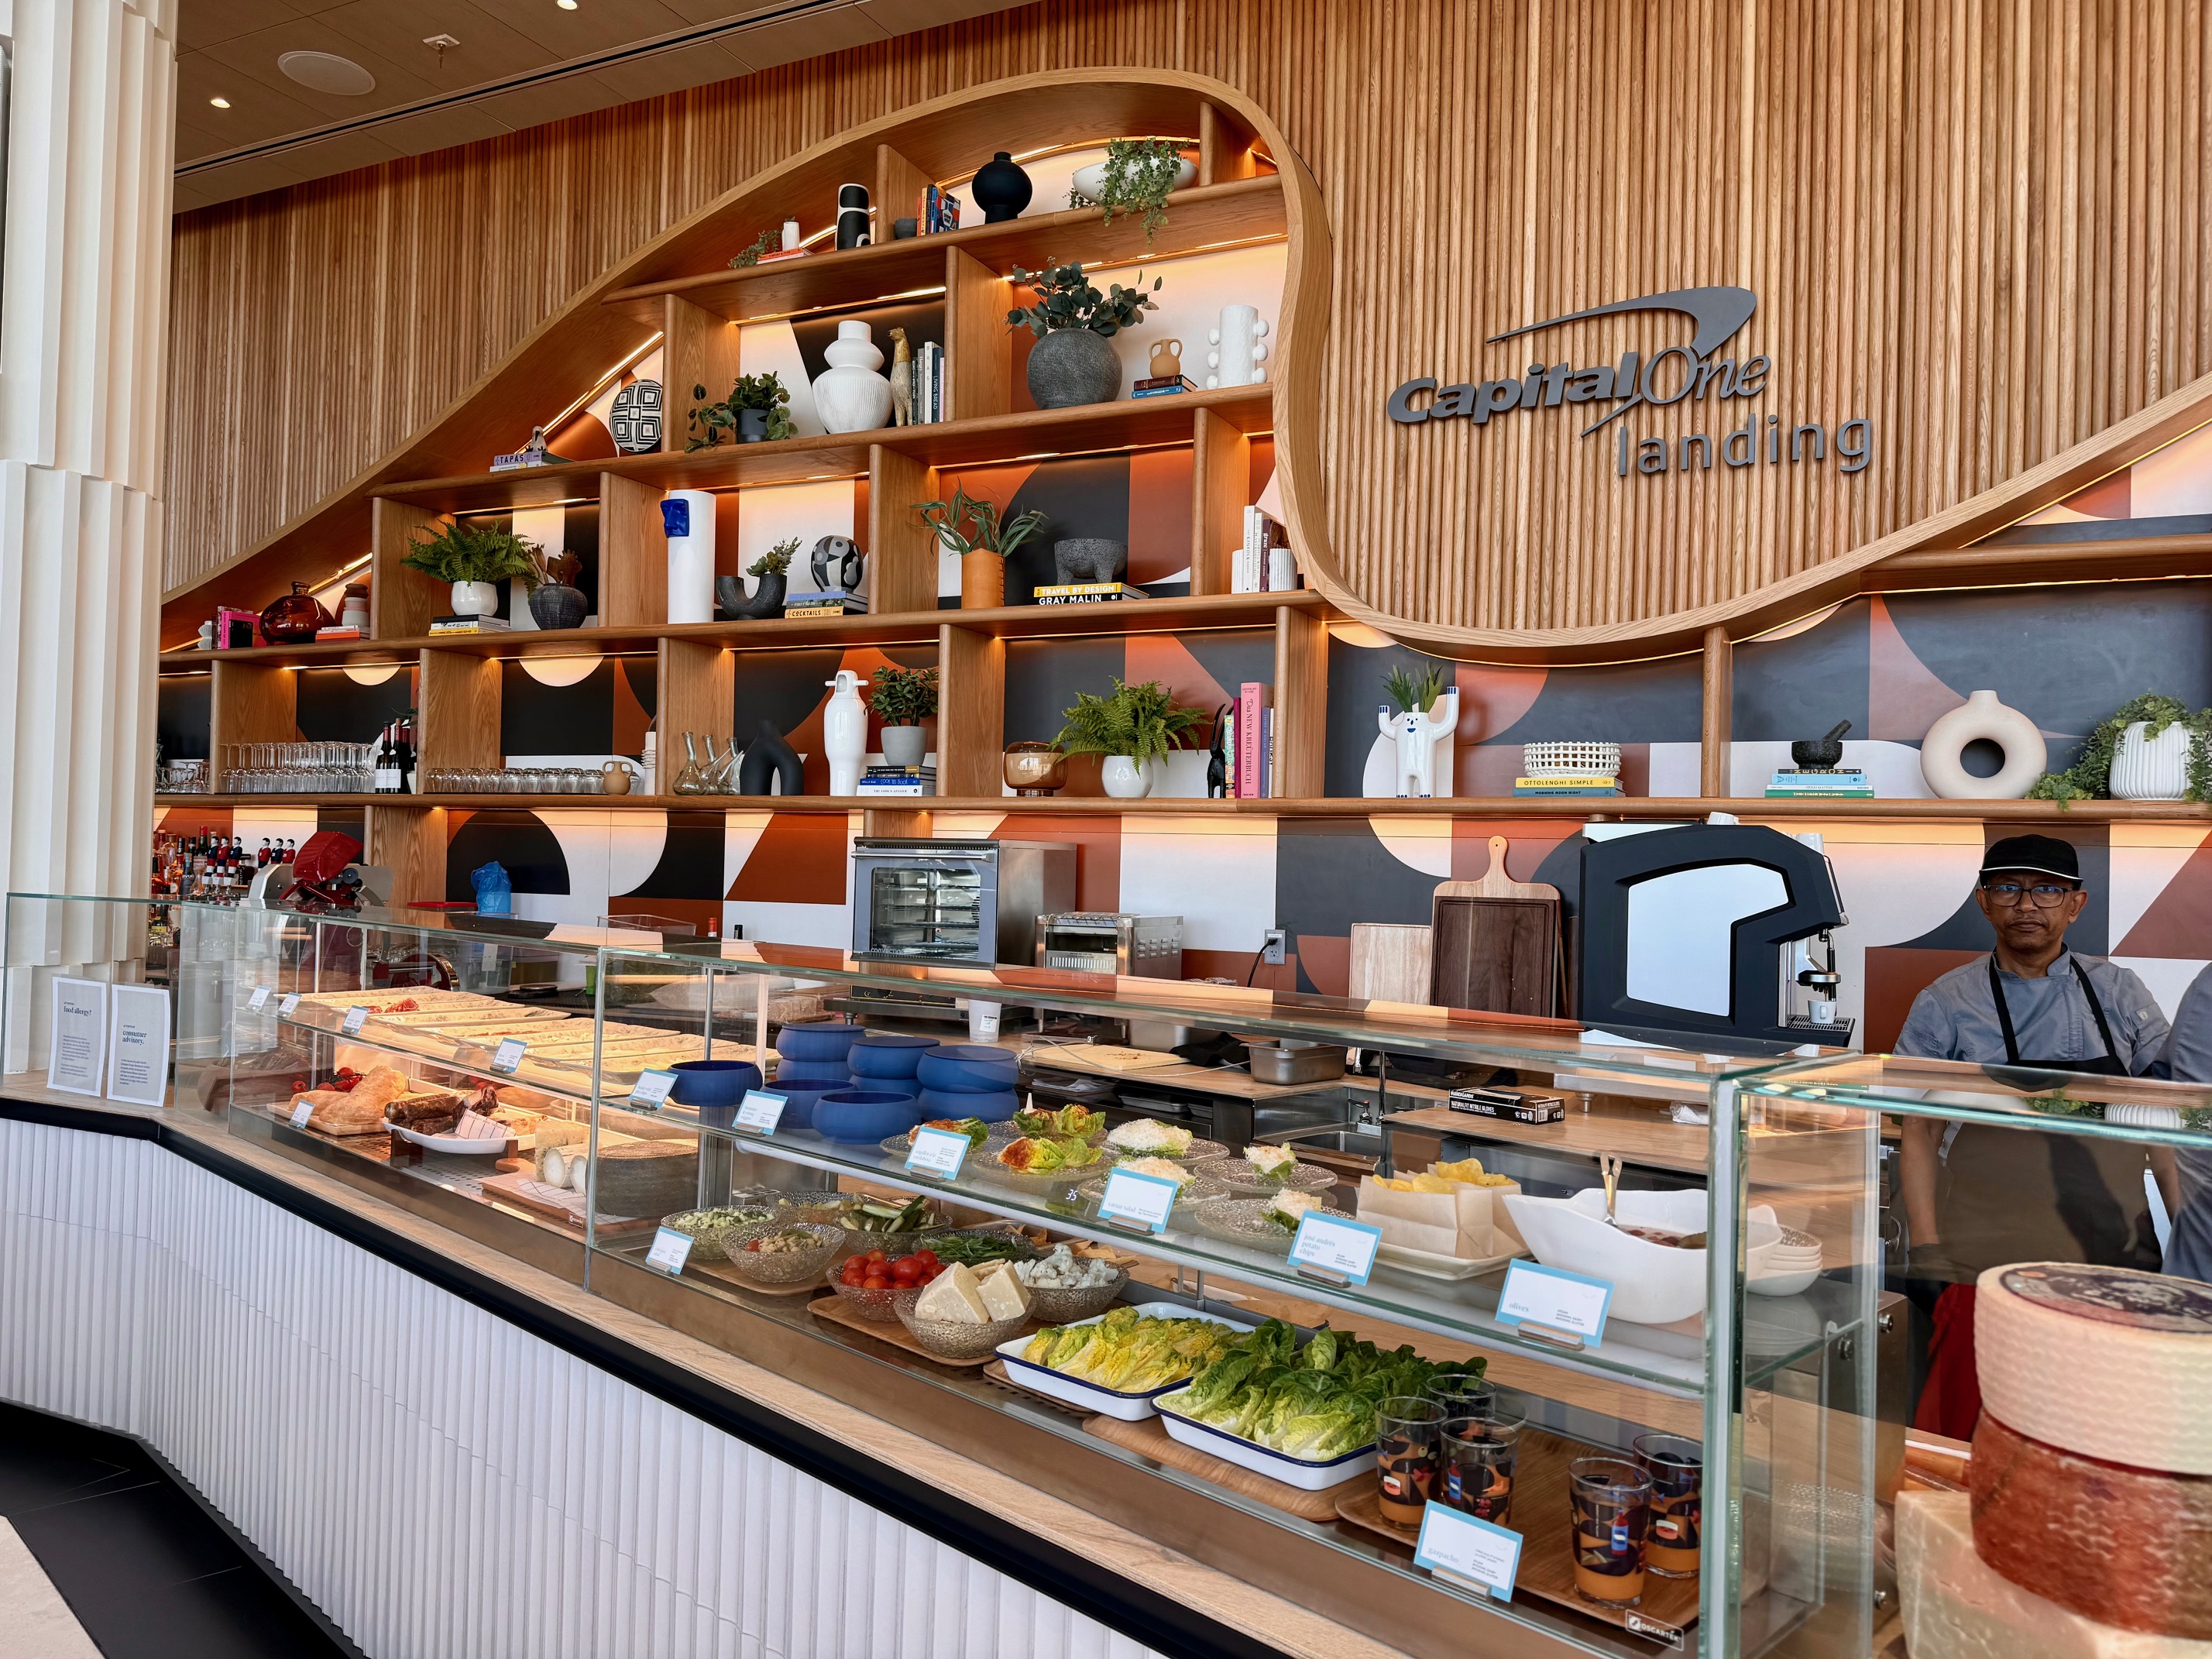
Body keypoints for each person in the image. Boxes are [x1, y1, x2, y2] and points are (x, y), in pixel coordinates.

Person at [1892, 833, 2171, 1436]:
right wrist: (1929, 1250)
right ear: (1983, 902)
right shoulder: (1946, 1001)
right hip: (1981, 1251)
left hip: (2112, 1246)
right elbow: (1917, 1130)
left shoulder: (2120, 992)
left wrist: (2193, 1243)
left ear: (2076, 904)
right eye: (2009, 888)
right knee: (1976, 1420)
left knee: (2102, 1424)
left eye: (2047, 889)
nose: (2027, 904)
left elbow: (2169, 1119)